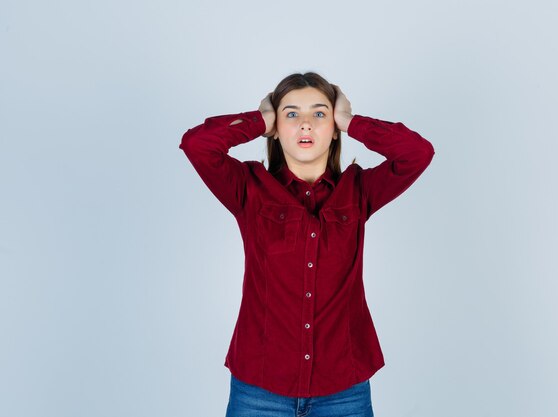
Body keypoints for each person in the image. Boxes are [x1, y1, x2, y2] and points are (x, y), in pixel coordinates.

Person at [179, 72, 435, 417]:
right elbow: (197, 145)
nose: (305, 125)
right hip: (260, 392)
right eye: (291, 114)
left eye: (319, 113)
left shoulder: (359, 191)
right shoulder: (248, 189)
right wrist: (259, 119)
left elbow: (417, 153)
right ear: (276, 129)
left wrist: (350, 120)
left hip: (344, 391)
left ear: (333, 127)